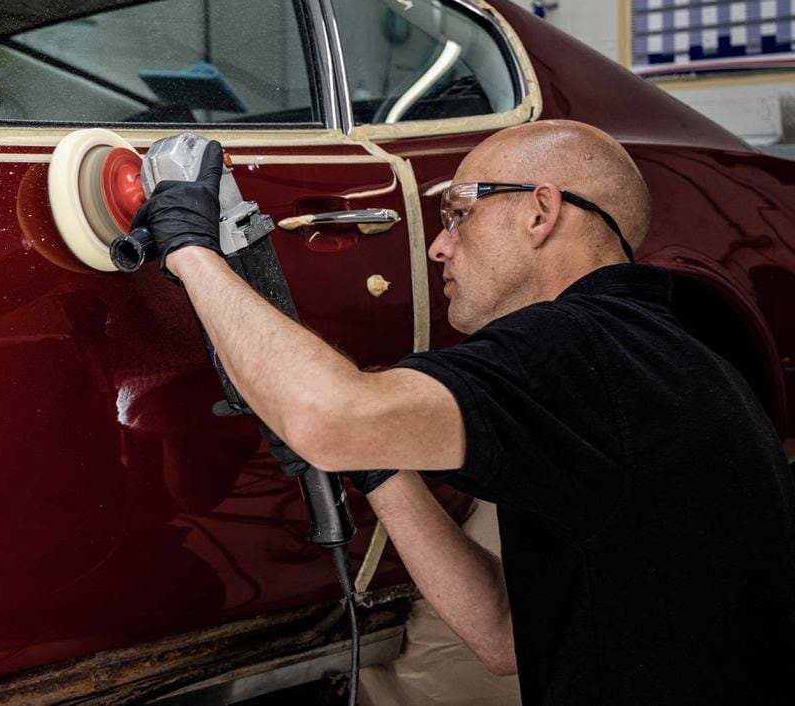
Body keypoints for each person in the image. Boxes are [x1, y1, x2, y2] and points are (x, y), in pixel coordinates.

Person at [130, 119, 795, 705]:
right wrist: (380, 462)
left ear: (541, 213)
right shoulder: (658, 362)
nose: (438, 246)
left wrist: (190, 246)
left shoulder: (577, 347)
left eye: (459, 212)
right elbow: (504, 632)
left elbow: (323, 416)